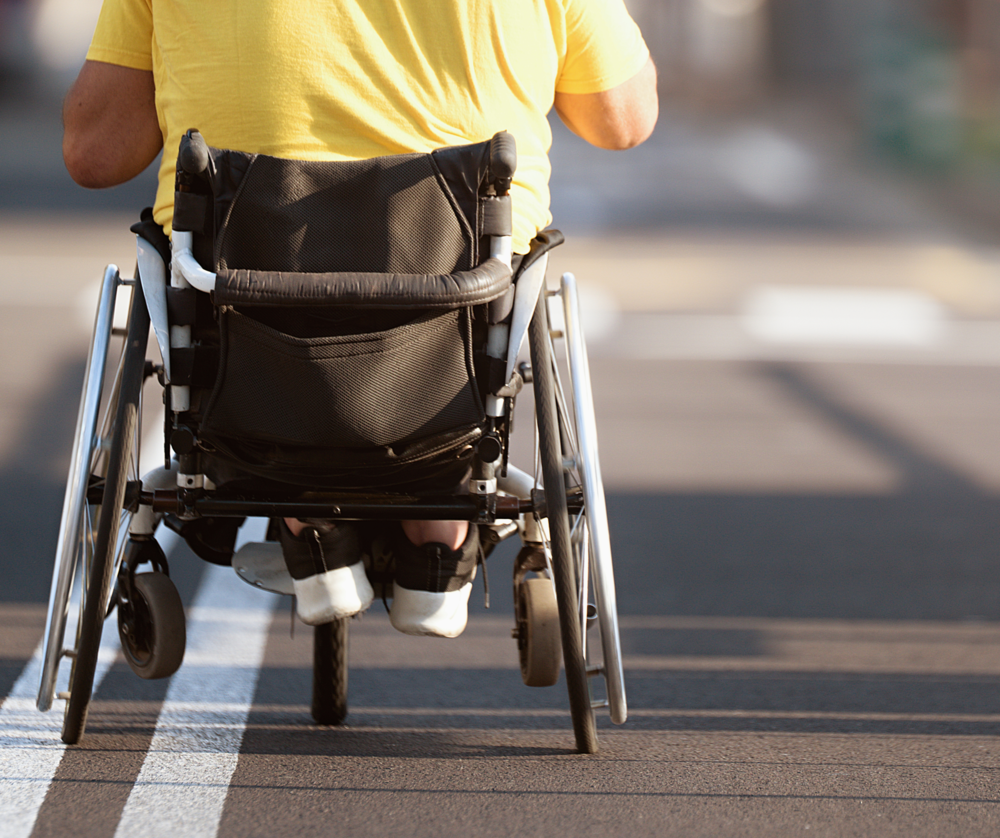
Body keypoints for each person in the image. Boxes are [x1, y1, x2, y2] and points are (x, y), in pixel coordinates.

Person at [62, 0, 658, 638]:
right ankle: (437, 535)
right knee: (480, 290)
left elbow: (95, 153)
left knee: (233, 287)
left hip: (245, 314)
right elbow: (622, 119)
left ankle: (307, 521)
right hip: (458, 304)